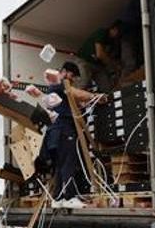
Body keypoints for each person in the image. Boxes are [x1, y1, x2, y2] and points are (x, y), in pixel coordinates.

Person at [37, 62, 106, 207]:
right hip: (64, 129)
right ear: (65, 72)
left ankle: (58, 198)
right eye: (72, 76)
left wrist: (84, 104)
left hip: (55, 133)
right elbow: (76, 93)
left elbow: (73, 100)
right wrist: (95, 97)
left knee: (60, 165)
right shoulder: (59, 82)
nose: (73, 80)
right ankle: (69, 197)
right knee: (69, 162)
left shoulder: (54, 88)